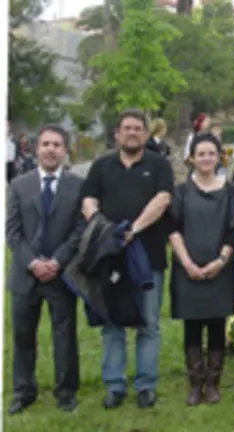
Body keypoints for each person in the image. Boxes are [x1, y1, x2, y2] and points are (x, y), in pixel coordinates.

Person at [80, 109, 175, 410]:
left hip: (148, 257)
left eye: (138, 128)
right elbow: (88, 199)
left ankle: (145, 385)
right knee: (112, 323)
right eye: (127, 128)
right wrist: (104, 229)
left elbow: (163, 200)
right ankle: (114, 385)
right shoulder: (101, 165)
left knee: (148, 324)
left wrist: (132, 230)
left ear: (146, 134)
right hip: (111, 258)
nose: (132, 132)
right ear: (117, 134)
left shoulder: (159, 164)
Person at [6, 125, 84, 415]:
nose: (51, 149)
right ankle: (23, 390)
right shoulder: (19, 185)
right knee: (23, 336)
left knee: (64, 336)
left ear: (64, 150)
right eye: (46, 144)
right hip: (25, 276)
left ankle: (66, 391)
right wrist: (33, 263)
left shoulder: (76, 185)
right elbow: (12, 231)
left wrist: (57, 262)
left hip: (60, 275)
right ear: (36, 148)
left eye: (57, 145)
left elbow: (79, 229)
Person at [168, 133, 234, 406]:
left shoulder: (230, 191)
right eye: (201, 154)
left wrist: (220, 262)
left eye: (211, 153)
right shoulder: (181, 191)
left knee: (215, 324)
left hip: (219, 268)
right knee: (192, 324)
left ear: (219, 156)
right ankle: (195, 383)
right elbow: (173, 229)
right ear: (192, 158)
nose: (206, 158)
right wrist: (187, 263)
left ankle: (213, 383)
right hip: (186, 266)